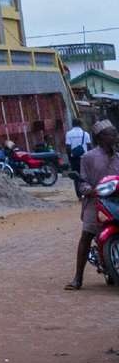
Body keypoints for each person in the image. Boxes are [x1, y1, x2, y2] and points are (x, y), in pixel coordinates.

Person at [67, 122, 119, 289]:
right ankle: (78, 278)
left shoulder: (118, 157)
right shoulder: (88, 157)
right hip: (95, 200)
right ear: (100, 137)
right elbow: (82, 181)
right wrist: (88, 190)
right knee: (86, 236)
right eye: (111, 134)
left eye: (115, 134)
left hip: (116, 200)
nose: (114, 137)